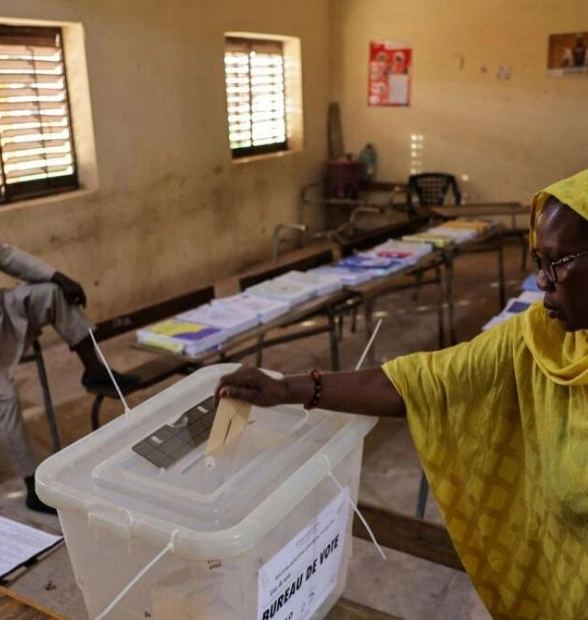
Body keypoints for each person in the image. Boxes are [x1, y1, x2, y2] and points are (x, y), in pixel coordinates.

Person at [216, 168, 588, 619]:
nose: (543, 282)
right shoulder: (540, 340)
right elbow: (425, 379)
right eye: (536, 261)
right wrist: (288, 388)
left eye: (559, 261)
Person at [0, 217, 139, 514]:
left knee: (53, 293)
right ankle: (32, 484)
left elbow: (6, 255)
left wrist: (56, 275)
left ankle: (94, 369)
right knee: (3, 397)